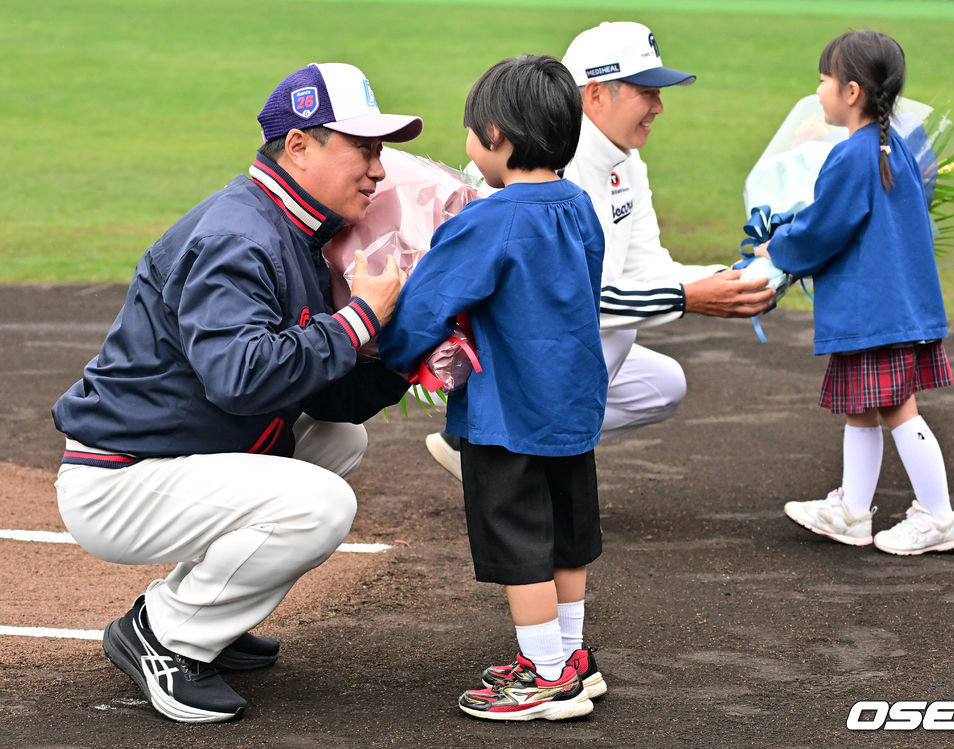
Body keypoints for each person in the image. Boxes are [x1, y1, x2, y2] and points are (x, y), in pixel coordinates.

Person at [50, 62, 423, 723]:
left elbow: (324, 397)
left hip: (179, 452)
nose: (378, 169)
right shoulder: (239, 235)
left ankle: (205, 611)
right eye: (363, 149)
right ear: (299, 145)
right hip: (121, 478)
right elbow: (241, 376)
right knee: (320, 504)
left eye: (380, 151)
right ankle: (166, 634)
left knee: (339, 439)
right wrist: (360, 318)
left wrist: (404, 361)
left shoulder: (297, 230)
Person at [424, 21, 775, 481]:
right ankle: (500, 448)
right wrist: (687, 298)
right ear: (594, 95)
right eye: (646, 92)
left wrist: (739, 277)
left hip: (538, 348)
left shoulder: (624, 157)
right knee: (615, 333)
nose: (658, 106)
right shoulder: (551, 165)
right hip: (492, 348)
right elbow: (569, 299)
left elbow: (648, 267)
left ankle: (507, 448)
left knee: (662, 385)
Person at [378, 55, 606, 721]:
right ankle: (570, 656)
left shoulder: (489, 220)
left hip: (508, 411)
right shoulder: (579, 205)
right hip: (571, 405)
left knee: (520, 542)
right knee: (565, 533)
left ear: (497, 135)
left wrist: (393, 354)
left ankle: (544, 677)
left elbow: (428, 302)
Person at [753, 31, 954, 555]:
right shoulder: (898, 147)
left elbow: (823, 229)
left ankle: (939, 516)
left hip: (874, 310)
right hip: (894, 305)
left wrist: (777, 246)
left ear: (851, 92)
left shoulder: (852, 154)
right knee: (864, 408)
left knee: (896, 407)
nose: (818, 91)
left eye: (823, 80)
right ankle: (851, 511)